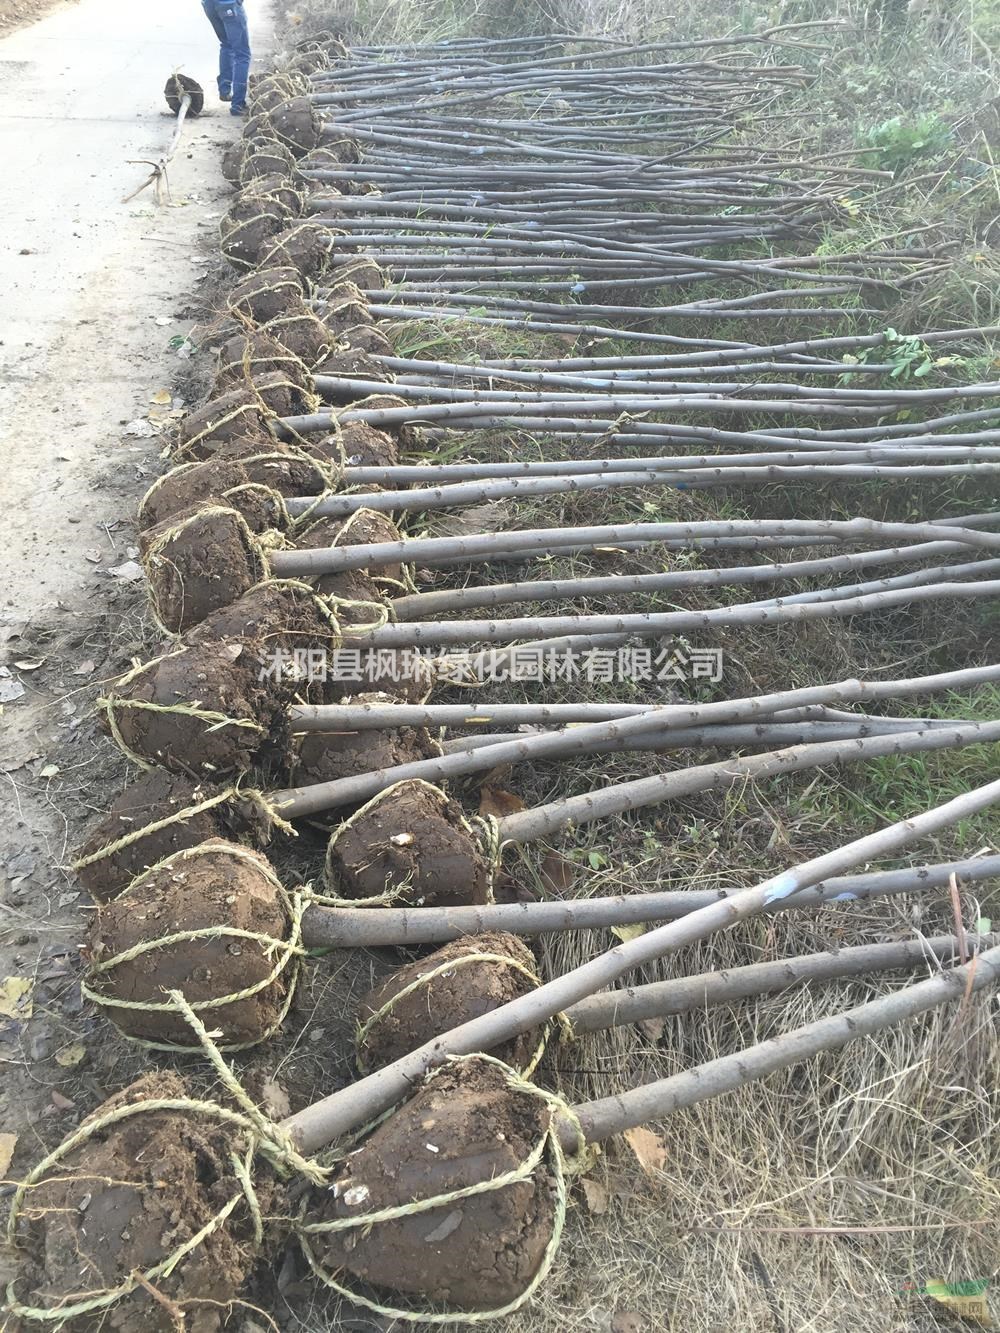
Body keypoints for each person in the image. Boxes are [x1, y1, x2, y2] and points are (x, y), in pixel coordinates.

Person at [201, 0, 251, 116]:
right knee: (242, 54)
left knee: (227, 44)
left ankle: (224, 90)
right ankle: (238, 104)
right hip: (228, 4)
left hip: (209, 4)